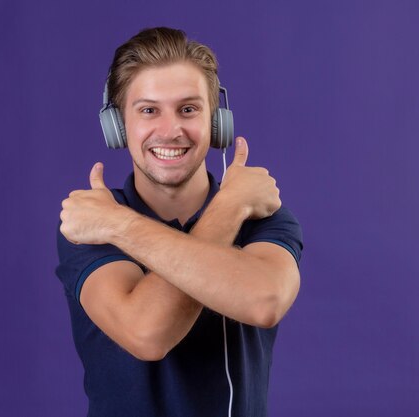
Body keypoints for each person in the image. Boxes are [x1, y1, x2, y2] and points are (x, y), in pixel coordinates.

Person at [56, 27, 302, 417]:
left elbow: (265, 300)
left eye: (188, 109)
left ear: (218, 122)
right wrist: (229, 207)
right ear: (118, 125)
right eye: (149, 110)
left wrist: (231, 206)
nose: (170, 130)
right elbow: (147, 333)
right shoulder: (90, 225)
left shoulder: (261, 218)